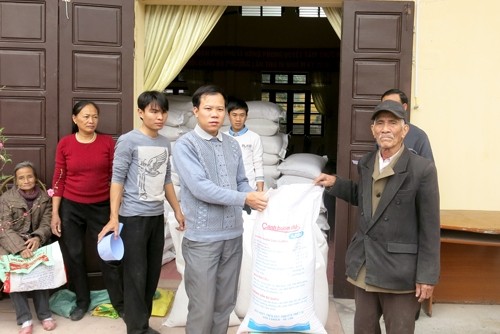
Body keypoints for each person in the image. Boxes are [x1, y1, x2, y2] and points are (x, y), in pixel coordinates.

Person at [314, 100, 440, 334]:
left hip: (400, 271)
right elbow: (365, 197)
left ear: (405, 129)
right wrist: (335, 183)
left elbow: (430, 228)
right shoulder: (367, 162)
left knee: (399, 329)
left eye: (393, 123)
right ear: (372, 130)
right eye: (380, 123)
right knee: (363, 329)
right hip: (367, 265)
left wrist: (427, 276)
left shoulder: (422, 169)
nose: (385, 128)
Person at [172, 85, 268, 334]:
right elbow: (201, 188)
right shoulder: (185, 145)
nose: (215, 114)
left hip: (233, 236)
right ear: (196, 111)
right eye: (208, 108)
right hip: (203, 240)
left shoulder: (232, 145)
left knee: (225, 305)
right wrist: (245, 197)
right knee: (203, 307)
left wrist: (255, 196)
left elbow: (241, 181)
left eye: (220, 109)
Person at [98, 91, 184, 334]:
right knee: (135, 275)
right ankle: (136, 329)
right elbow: (117, 180)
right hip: (133, 217)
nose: (160, 117)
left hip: (156, 217)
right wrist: (114, 217)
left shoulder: (165, 142)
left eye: (163, 112)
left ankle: (142, 323)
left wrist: (177, 210)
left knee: (150, 275)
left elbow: (167, 179)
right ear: (140, 112)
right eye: (154, 111)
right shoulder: (128, 141)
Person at [50, 101, 123, 321]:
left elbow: (115, 178)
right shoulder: (65, 144)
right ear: (75, 119)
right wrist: (55, 213)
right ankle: (82, 301)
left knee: (108, 255)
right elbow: (59, 179)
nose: (91, 121)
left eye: (94, 117)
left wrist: (113, 213)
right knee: (74, 254)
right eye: (85, 116)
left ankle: (119, 302)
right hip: (71, 208)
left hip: (101, 207)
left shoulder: (107, 143)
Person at [0, 161, 56, 333]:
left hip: (35, 242)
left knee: (40, 274)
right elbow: (4, 227)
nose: (26, 181)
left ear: (35, 178)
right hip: (11, 244)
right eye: (21, 178)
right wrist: (18, 248)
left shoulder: (44, 198)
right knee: (15, 277)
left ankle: (45, 314)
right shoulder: (6, 199)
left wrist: (38, 237)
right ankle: (25, 319)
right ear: (16, 181)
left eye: (29, 176)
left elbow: (47, 223)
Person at [381, 88, 434, 161]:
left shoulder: (419, 136)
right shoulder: (381, 132)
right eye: (385, 105)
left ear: (404, 107)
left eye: (393, 105)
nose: (388, 109)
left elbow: (428, 168)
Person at [224, 97, 265, 192]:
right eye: (234, 115)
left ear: (246, 116)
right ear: (228, 116)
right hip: (227, 190)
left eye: (242, 115)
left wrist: (260, 192)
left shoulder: (254, 137)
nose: (238, 119)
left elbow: (258, 165)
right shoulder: (222, 137)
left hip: (249, 188)